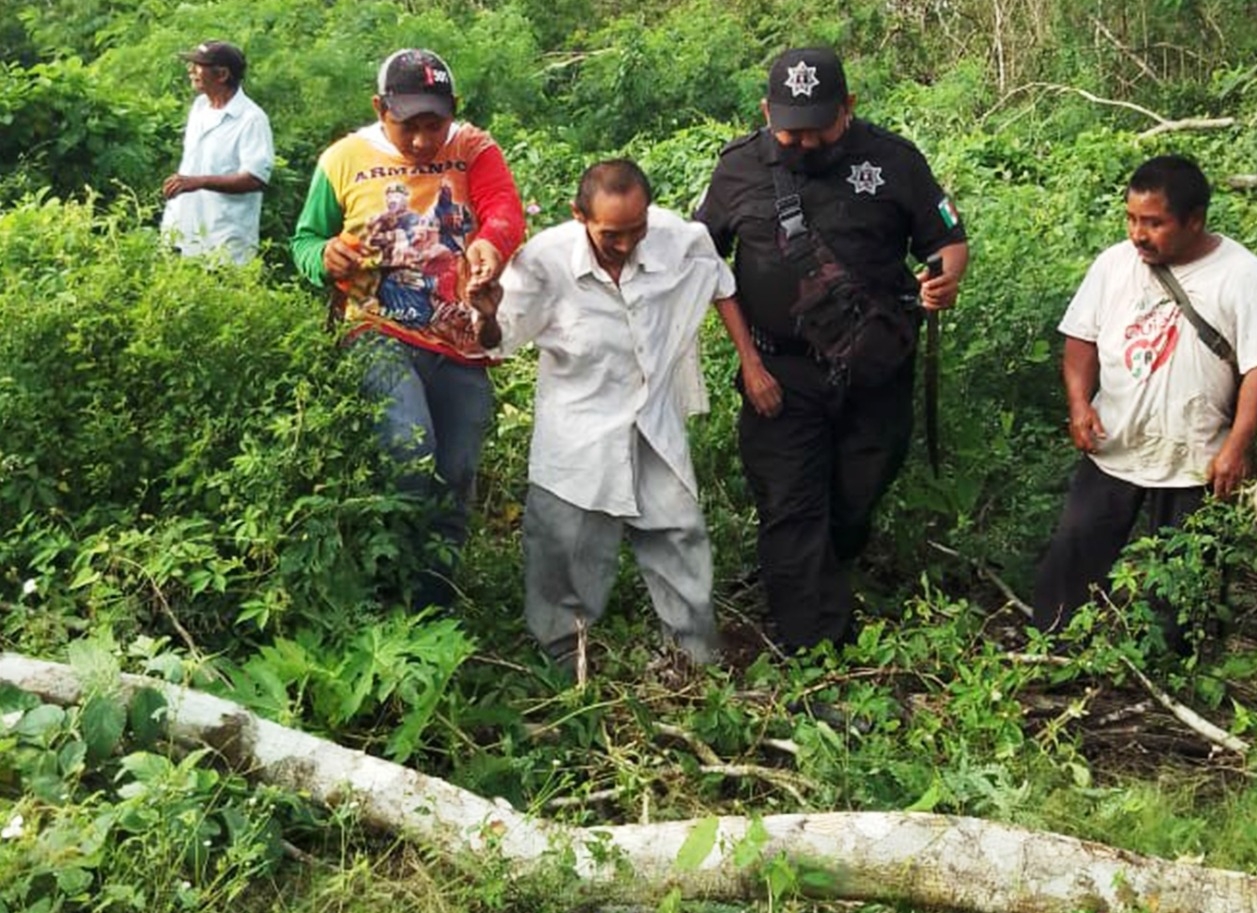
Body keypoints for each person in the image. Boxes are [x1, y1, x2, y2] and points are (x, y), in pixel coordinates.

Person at [695, 47, 969, 654]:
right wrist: (746, 358)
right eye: (789, 129)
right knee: (790, 505)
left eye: (819, 127)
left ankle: (819, 574)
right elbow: (700, 258)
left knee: (854, 495)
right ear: (767, 111)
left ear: (848, 107)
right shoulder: (739, 168)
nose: (804, 142)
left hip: (877, 368)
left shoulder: (894, 161)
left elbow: (947, 238)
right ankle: (819, 650)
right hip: (781, 370)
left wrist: (945, 279)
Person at [470, 158, 765, 668]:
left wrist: (751, 360)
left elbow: (721, 281)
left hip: (652, 419)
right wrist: (488, 314)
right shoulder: (544, 261)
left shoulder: (678, 238)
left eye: (637, 229)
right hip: (578, 429)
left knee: (678, 534)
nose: (627, 245)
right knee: (563, 548)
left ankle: (694, 662)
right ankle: (563, 666)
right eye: (612, 235)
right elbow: (498, 343)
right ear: (579, 216)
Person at [291, 48, 526, 610]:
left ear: (453, 111)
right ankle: (383, 592)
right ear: (380, 108)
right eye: (409, 126)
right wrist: (323, 256)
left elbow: (504, 210)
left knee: (457, 473)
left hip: (461, 337)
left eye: (434, 124)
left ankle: (432, 610)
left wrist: (491, 245)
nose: (424, 140)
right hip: (377, 326)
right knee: (408, 448)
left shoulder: (473, 149)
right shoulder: (343, 159)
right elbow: (303, 240)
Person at [1033, 155, 1257, 640]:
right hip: (1115, 444)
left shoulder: (1243, 277)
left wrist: (1235, 447)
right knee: (1074, 555)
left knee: (1187, 587)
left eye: (1154, 222)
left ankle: (1176, 662)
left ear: (1194, 220)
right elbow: (1080, 340)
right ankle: (1052, 647)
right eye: (1131, 219)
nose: (1138, 234)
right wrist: (1080, 405)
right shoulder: (1113, 265)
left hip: (1198, 456)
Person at [161, 40, 275, 264]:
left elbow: (255, 179)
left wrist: (200, 181)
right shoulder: (200, 107)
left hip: (225, 241)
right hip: (183, 233)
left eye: (198, 66)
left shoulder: (251, 119)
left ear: (222, 74)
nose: (191, 70)